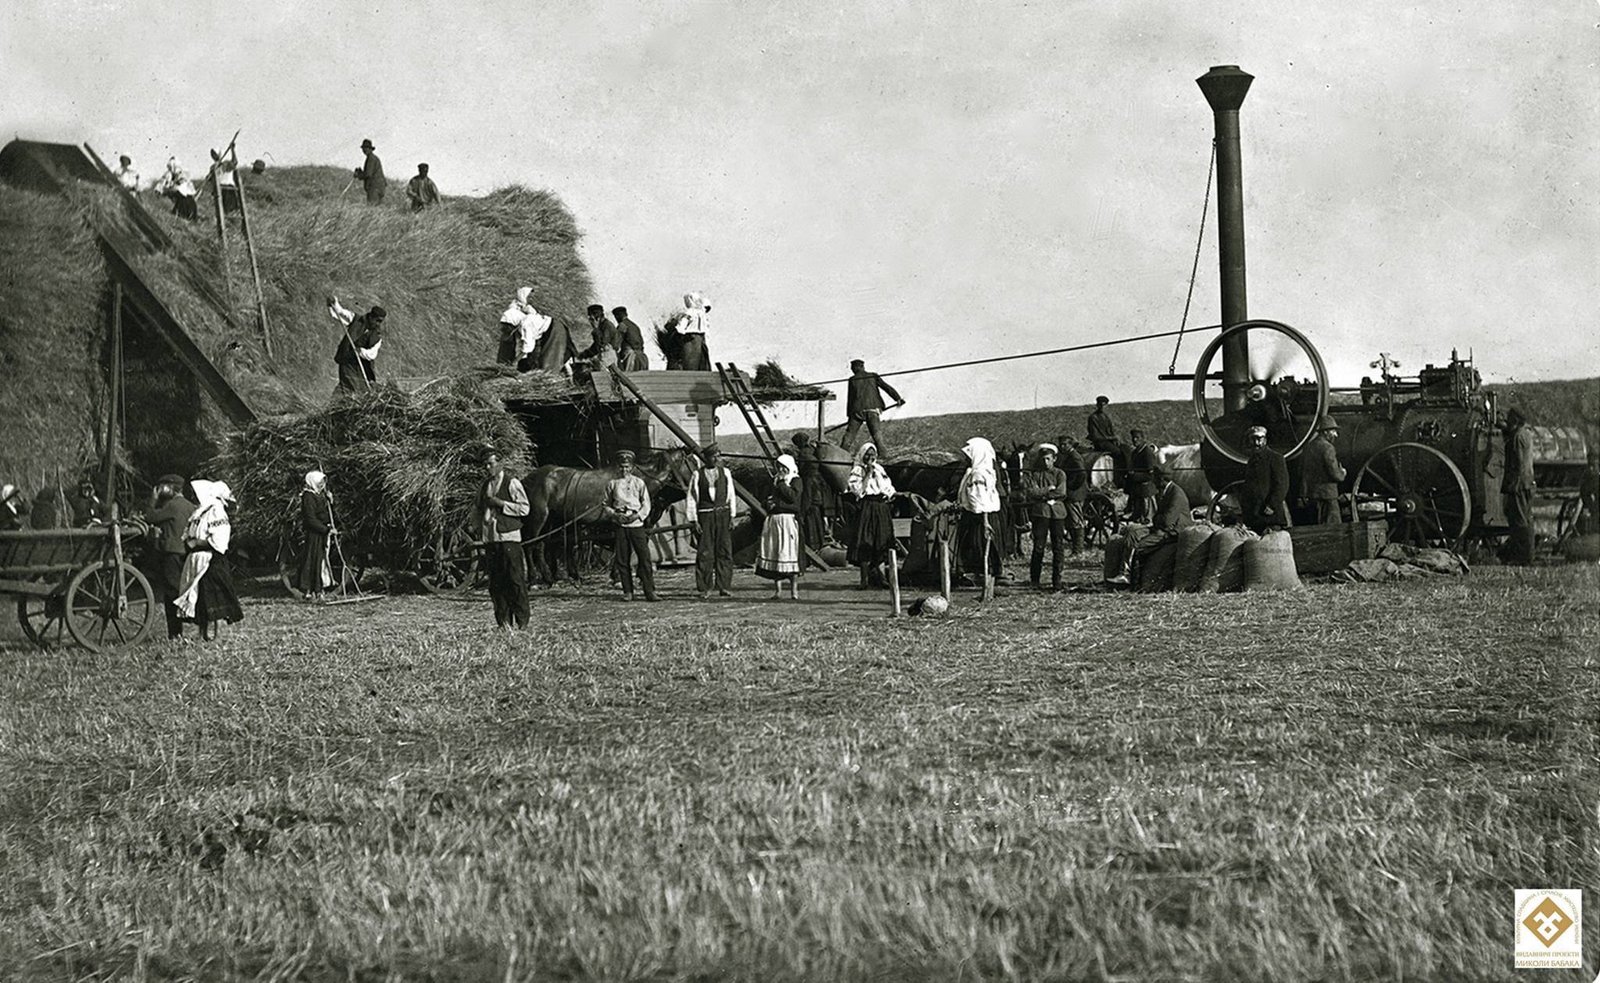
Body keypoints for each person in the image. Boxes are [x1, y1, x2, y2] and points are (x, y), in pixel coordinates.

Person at [173, 480, 243, 641]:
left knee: (213, 596)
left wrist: (197, 542)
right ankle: (203, 632)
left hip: (210, 560)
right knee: (200, 597)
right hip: (195, 558)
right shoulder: (200, 512)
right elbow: (188, 532)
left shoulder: (216, 511)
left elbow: (219, 538)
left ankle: (215, 633)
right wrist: (189, 541)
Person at [1108, 464, 1193, 585]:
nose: (1153, 482)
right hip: (1160, 528)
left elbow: (1167, 521)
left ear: (1163, 480)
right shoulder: (1165, 491)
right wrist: (1157, 520)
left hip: (1173, 532)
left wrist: (1157, 520)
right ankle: (1124, 573)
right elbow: (1159, 518)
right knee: (1132, 532)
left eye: (1155, 479)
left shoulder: (1176, 494)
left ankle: (1134, 581)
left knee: (1139, 547)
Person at [477, 450, 530, 627]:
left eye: (491, 464)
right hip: (491, 539)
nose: (488, 468)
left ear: (500, 464)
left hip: (509, 538)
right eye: (485, 464)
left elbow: (524, 509)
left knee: (514, 579)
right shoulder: (485, 486)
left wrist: (502, 504)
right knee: (496, 583)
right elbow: (477, 508)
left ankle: (522, 621)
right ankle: (504, 623)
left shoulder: (512, 483)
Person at [604, 450, 659, 602]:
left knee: (644, 558)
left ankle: (650, 591)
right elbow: (606, 505)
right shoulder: (612, 484)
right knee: (622, 560)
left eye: (627, 467)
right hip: (621, 525)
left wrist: (638, 515)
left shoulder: (639, 483)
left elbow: (646, 504)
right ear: (618, 467)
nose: (624, 470)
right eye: (622, 467)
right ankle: (628, 591)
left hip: (636, 524)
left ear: (632, 467)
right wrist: (615, 515)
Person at [146, 475, 195, 639]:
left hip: (172, 554)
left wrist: (153, 500)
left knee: (171, 594)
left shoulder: (172, 506)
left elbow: (150, 517)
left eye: (163, 487)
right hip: (186, 553)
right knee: (183, 591)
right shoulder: (190, 506)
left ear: (171, 488)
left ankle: (175, 633)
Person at [846, 442, 897, 588]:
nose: (870, 457)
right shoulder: (857, 470)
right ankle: (864, 580)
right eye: (867, 454)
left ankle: (881, 578)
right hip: (867, 507)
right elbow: (857, 490)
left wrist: (889, 494)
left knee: (881, 541)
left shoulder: (880, 468)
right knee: (865, 541)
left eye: (873, 454)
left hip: (881, 508)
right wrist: (867, 474)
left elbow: (888, 485)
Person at [688, 444, 737, 597]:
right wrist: (694, 520)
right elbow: (691, 498)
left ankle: (724, 586)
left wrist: (732, 516)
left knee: (724, 551)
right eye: (713, 456)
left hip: (723, 515)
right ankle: (705, 588)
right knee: (705, 552)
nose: (716, 459)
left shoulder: (726, 473)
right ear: (706, 458)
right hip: (705, 517)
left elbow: (731, 495)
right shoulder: (697, 475)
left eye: (718, 456)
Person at [1020, 443, 1068, 590]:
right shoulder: (1035, 475)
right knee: (1038, 546)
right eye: (1043, 459)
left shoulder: (1060, 474)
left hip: (1057, 514)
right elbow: (1031, 492)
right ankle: (1035, 580)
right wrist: (1048, 489)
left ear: (1054, 459)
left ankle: (1057, 581)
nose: (1045, 462)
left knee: (1058, 547)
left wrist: (1042, 494)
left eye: (1048, 459)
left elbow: (1061, 492)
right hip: (1041, 513)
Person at [756, 454, 804, 599]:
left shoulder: (796, 480)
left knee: (789, 554)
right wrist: (768, 503)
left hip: (788, 521)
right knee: (776, 553)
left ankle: (794, 591)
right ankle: (778, 590)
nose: (781, 469)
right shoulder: (775, 480)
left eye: (784, 467)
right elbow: (766, 497)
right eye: (779, 467)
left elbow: (792, 498)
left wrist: (782, 484)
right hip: (774, 520)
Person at [957, 436, 1003, 586]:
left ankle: (981, 577)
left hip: (979, 516)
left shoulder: (977, 474)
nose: (966, 459)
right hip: (988, 515)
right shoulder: (987, 471)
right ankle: (988, 576)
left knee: (978, 545)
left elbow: (979, 498)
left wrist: (985, 522)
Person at [843, 359, 904, 453]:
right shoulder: (873, 376)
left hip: (857, 412)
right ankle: (884, 457)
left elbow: (850, 398)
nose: (852, 370)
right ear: (863, 367)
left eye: (852, 368)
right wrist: (898, 398)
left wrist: (849, 415)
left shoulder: (852, 380)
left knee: (849, 436)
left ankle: (841, 456)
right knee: (877, 436)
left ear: (856, 368)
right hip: (872, 409)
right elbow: (886, 387)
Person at [1501, 408, 1536, 565]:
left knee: (1519, 520)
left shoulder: (1517, 437)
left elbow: (1519, 463)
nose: (1507, 421)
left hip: (1519, 484)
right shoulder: (1526, 434)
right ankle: (1528, 555)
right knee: (1527, 519)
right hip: (1527, 483)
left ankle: (1523, 557)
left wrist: (1512, 484)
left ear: (1514, 420)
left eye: (1509, 419)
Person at [1240, 425, 1290, 534]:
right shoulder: (1251, 461)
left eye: (1259, 439)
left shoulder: (1276, 458)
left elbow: (1282, 484)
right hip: (1254, 516)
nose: (1256, 443)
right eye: (1253, 439)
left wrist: (1272, 505)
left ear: (1265, 440)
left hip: (1270, 515)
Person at [329, 296, 385, 391]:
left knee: (360, 388)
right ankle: (340, 403)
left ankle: (344, 403)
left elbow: (372, 354)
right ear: (371, 317)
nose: (378, 324)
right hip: (347, 361)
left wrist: (360, 351)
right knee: (347, 385)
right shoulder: (356, 319)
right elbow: (341, 312)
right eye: (377, 321)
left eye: (381, 322)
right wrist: (334, 303)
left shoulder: (377, 336)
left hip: (362, 366)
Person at [1300, 415, 1346, 524]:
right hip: (1328, 495)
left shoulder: (1309, 446)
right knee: (1333, 526)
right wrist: (1342, 473)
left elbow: (1303, 471)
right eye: (1333, 431)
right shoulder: (1328, 448)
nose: (1336, 434)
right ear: (1326, 432)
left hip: (1312, 495)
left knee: (1316, 526)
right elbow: (1334, 473)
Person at [299, 470, 334, 601]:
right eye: (319, 483)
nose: (322, 486)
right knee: (314, 560)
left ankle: (319, 589)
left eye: (323, 483)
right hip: (314, 534)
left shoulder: (320, 495)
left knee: (321, 561)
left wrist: (330, 501)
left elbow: (326, 513)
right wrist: (325, 529)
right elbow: (310, 519)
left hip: (322, 532)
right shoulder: (308, 496)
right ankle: (311, 590)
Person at [1060, 438, 1090, 554]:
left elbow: (1082, 474)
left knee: (1076, 521)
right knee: (1072, 521)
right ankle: (1076, 548)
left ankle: (1078, 550)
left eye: (1064, 444)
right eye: (1061, 445)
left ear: (1070, 445)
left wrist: (1071, 486)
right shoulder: (1069, 456)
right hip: (1072, 493)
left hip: (1075, 494)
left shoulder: (1074, 457)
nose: (1062, 447)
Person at [1126, 428, 1160, 523]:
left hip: (1146, 492)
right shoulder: (1134, 453)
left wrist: (1134, 475)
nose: (1134, 440)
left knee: (1148, 520)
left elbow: (1150, 475)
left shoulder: (1147, 453)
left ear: (1143, 439)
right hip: (1138, 493)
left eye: (1137, 438)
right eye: (1133, 438)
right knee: (1137, 520)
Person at [581, 304, 620, 376]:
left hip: (608, 357)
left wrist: (595, 329)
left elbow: (602, 343)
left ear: (596, 317)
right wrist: (585, 354)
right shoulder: (602, 325)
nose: (589, 320)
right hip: (605, 356)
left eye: (590, 317)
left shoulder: (607, 325)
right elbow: (596, 345)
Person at [677, 292, 710, 371]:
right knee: (701, 360)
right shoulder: (702, 313)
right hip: (701, 339)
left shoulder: (689, 312)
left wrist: (680, 330)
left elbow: (682, 325)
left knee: (690, 361)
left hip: (690, 339)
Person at [613, 307, 649, 371]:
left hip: (630, 357)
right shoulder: (635, 326)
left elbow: (616, 344)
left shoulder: (622, 325)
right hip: (642, 357)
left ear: (617, 316)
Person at [210, 147, 240, 216]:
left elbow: (235, 162)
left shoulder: (226, 164)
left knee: (230, 208)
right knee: (221, 209)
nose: (214, 156)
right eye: (213, 155)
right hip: (219, 189)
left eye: (215, 154)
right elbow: (211, 179)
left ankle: (231, 220)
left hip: (228, 188)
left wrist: (233, 150)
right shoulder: (213, 167)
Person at [356, 139, 386, 204]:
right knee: (377, 209)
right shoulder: (373, 158)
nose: (364, 150)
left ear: (370, 149)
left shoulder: (371, 158)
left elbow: (368, 174)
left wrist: (359, 175)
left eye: (366, 148)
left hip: (374, 188)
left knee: (372, 208)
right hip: (379, 187)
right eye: (363, 148)